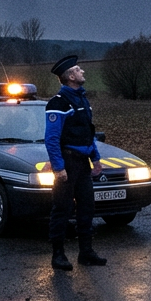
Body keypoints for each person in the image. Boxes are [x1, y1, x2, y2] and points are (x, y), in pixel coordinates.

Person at [45, 55, 107, 270]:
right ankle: (58, 255)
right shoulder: (58, 103)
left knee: (87, 208)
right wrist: (59, 167)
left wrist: (95, 158)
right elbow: (51, 139)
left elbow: (88, 134)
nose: (83, 72)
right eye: (79, 70)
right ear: (70, 76)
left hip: (83, 163)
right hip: (68, 162)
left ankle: (86, 252)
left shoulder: (82, 99)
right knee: (61, 208)